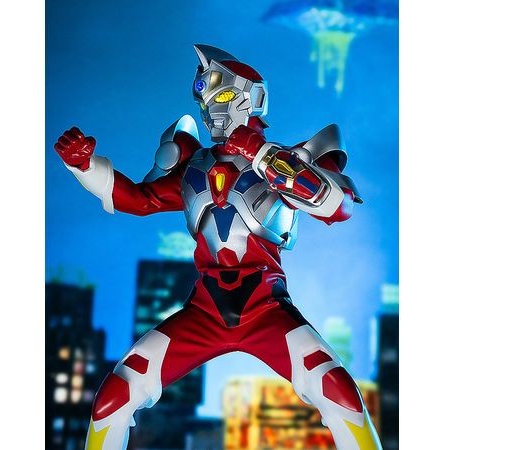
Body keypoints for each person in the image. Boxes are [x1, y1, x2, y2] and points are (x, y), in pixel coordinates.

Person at [54, 44, 382, 450]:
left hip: (266, 308)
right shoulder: (194, 167)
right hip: (205, 310)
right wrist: (84, 166)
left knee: (338, 392)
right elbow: (138, 199)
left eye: (222, 95)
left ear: (251, 97)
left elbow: (337, 206)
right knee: (115, 396)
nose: (212, 108)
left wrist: (262, 155)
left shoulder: (289, 160)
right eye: (205, 99)